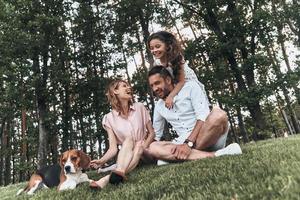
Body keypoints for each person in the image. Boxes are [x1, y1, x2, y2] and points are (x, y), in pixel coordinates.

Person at [147, 65, 242, 163]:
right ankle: (216, 154)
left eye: (157, 83)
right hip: (182, 143)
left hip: (205, 135)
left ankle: (175, 157)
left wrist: (188, 144)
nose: (155, 89)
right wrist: (141, 148)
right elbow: (156, 135)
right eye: (152, 86)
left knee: (218, 114)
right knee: (153, 147)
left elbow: (202, 117)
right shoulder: (159, 106)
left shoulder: (190, 87)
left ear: (168, 80)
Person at [89, 79, 155, 189]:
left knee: (138, 145)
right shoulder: (109, 118)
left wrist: (144, 146)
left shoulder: (139, 107)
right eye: (124, 86)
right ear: (115, 91)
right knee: (128, 140)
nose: (129, 88)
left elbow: (152, 133)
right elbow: (113, 149)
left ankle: (105, 179)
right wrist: (102, 160)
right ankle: (120, 172)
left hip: (145, 151)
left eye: (128, 86)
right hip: (129, 155)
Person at [147, 30, 209, 109]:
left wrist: (170, 96)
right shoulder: (157, 63)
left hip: (188, 86)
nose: (155, 50)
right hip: (176, 89)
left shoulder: (176, 58)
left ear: (167, 46)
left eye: (158, 46)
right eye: (152, 48)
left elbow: (181, 81)